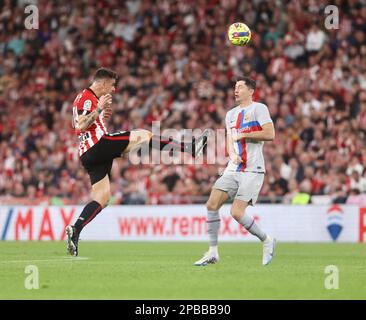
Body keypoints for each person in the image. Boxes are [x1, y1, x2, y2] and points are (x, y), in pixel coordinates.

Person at [66, 67, 208, 256]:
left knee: (102, 198)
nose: (114, 90)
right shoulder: (88, 97)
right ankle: (190, 148)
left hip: (87, 154)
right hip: (98, 145)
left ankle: (75, 229)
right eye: (112, 85)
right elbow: (80, 126)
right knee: (144, 135)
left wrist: (99, 115)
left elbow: (81, 122)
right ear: (103, 83)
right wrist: (99, 109)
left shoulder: (83, 98)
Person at [194, 76, 276, 266]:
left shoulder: (259, 108)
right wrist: (232, 154)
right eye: (235, 87)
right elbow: (231, 139)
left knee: (236, 212)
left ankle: (267, 241)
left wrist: (244, 134)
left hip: (253, 169)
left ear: (251, 91)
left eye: (240, 87)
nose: (236, 90)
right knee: (212, 204)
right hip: (234, 167)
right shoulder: (230, 114)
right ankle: (213, 252)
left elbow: (270, 134)